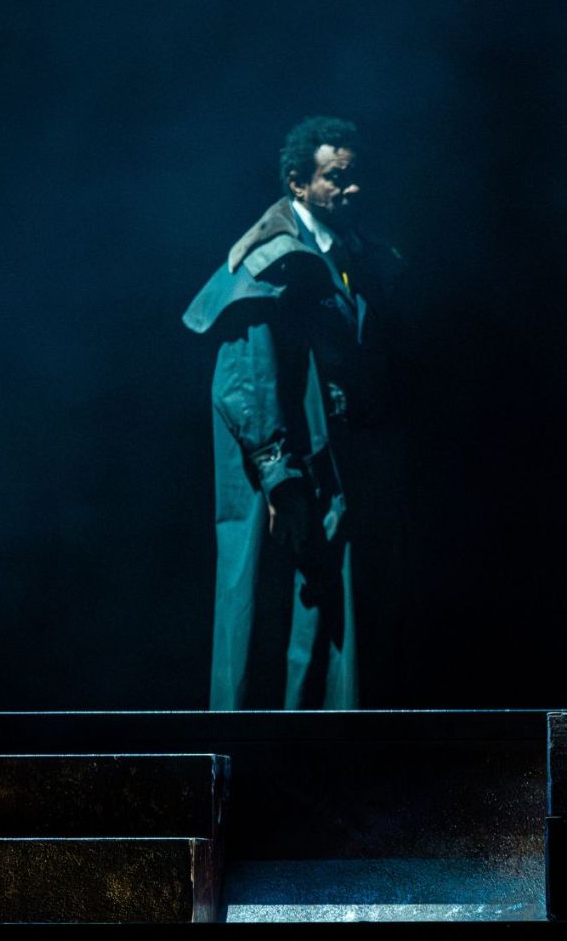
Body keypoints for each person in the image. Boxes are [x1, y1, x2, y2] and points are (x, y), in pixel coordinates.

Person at [183, 116, 399, 710]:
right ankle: (244, 771)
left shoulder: (350, 256)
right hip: (270, 474)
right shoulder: (271, 260)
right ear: (298, 182)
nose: (352, 190)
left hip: (327, 462)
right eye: (337, 178)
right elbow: (242, 382)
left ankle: (323, 767)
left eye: (357, 178)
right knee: (260, 607)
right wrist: (279, 474)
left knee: (324, 618)